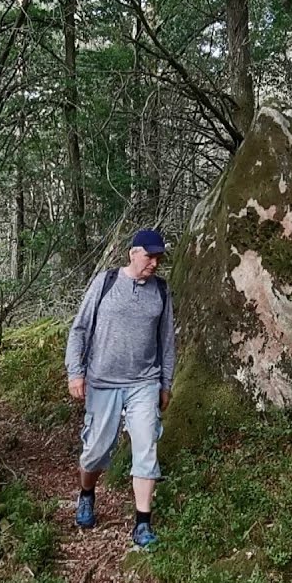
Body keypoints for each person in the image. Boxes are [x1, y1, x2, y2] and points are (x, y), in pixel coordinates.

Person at [64, 228, 176, 549]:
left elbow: (168, 343)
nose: (154, 262)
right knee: (96, 451)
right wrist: (76, 372)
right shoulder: (106, 282)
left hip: (144, 382)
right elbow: (80, 328)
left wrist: (165, 384)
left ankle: (142, 524)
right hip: (102, 381)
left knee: (146, 448)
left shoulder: (162, 292)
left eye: (159, 257)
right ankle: (87, 494)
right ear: (133, 253)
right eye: (150, 255)